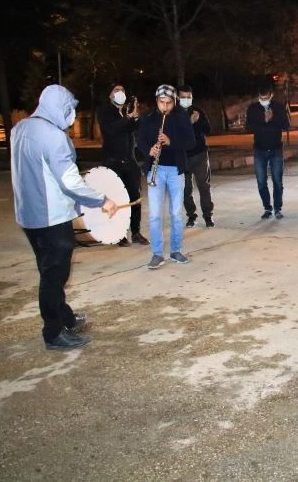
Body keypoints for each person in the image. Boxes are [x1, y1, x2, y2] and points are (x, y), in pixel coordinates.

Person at [11, 84, 117, 349]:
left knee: (50, 271)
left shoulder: (19, 129)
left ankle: (65, 317)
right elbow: (70, 183)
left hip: (28, 216)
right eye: (70, 109)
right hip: (51, 218)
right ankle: (54, 333)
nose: (72, 115)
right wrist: (102, 200)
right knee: (53, 277)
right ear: (60, 108)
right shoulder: (53, 136)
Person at [138, 84, 195, 269]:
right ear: (157, 102)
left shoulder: (181, 117)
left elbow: (190, 142)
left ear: (174, 101)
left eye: (169, 103)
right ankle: (157, 254)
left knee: (176, 213)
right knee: (155, 215)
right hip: (156, 170)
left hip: (175, 170)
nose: (165, 107)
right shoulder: (148, 118)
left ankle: (176, 250)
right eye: (162, 103)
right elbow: (140, 142)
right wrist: (149, 150)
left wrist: (171, 142)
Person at [97, 83, 149, 247]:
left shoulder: (124, 112)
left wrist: (135, 116)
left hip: (130, 161)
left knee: (135, 198)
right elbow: (110, 130)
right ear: (110, 95)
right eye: (116, 90)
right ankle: (120, 234)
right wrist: (127, 119)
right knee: (118, 200)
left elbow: (137, 128)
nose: (120, 93)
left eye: (122, 90)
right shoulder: (106, 112)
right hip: (113, 163)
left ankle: (136, 232)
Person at [246, 80, 290, 219]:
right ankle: (267, 208)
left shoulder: (279, 107)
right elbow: (248, 127)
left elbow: (286, 126)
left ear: (271, 95)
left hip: (276, 149)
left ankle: (278, 208)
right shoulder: (253, 108)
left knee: (277, 180)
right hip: (259, 150)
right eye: (261, 98)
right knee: (261, 181)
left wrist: (273, 118)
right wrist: (263, 120)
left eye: (266, 98)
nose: (263, 100)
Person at [179, 85, 215, 228]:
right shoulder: (174, 114)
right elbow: (175, 133)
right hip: (182, 157)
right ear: (177, 97)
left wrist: (198, 121)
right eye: (183, 97)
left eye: (189, 97)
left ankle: (208, 215)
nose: (186, 100)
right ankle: (191, 215)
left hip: (199, 155)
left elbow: (208, 130)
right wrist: (190, 122)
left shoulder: (197, 111)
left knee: (204, 186)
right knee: (185, 189)